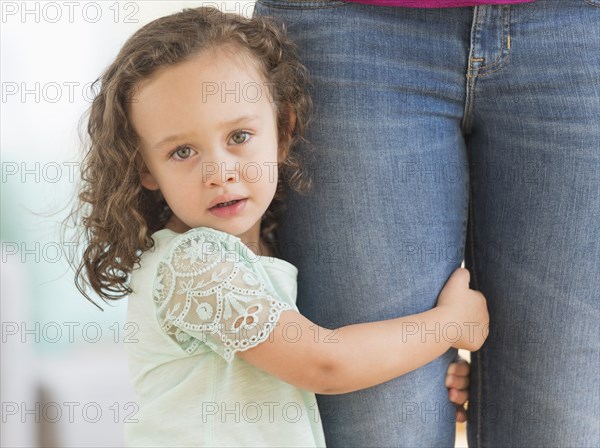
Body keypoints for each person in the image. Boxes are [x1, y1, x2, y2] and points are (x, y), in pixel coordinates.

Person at [71, 7, 489, 447]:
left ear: (283, 130)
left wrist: (421, 367)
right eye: (182, 152)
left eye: (238, 137)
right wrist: (447, 326)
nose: (219, 172)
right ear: (146, 169)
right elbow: (324, 365)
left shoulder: (260, 254)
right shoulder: (195, 266)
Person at [252, 0, 600, 447]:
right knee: (381, 424)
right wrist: (447, 327)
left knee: (562, 426)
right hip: (345, 23)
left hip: (578, 23)